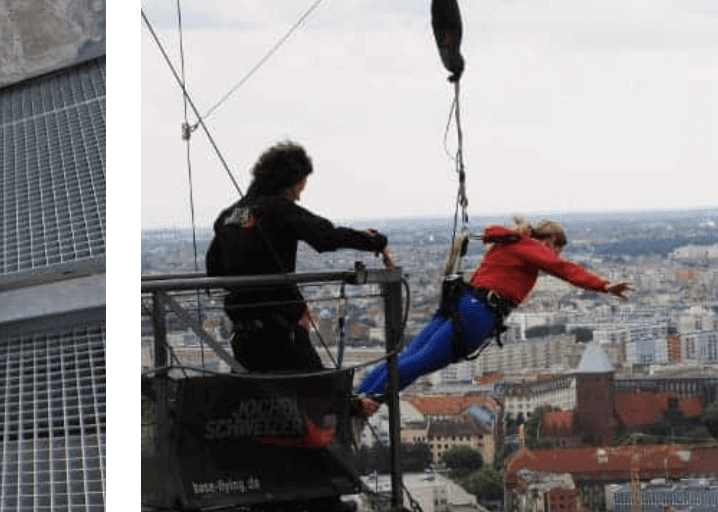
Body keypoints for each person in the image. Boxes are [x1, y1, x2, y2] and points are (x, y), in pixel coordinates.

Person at [356, 217, 631, 408]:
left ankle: (359, 396)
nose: (554, 253)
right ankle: (368, 402)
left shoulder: (508, 240)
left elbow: (491, 231)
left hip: (459, 300)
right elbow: (565, 269)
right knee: (423, 362)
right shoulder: (530, 247)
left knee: (409, 358)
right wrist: (604, 286)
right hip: (479, 313)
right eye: (556, 246)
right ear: (548, 239)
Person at [206, 141, 392, 380]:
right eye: (300, 186)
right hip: (280, 330)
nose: (300, 195)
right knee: (318, 396)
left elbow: (214, 268)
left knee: (256, 398)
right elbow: (325, 237)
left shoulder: (227, 216)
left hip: (244, 332)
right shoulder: (277, 209)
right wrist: (373, 241)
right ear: (290, 182)